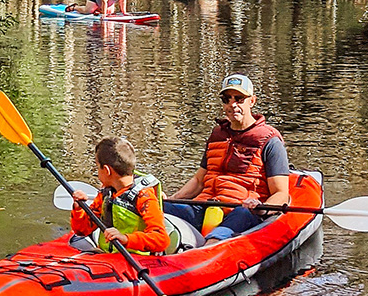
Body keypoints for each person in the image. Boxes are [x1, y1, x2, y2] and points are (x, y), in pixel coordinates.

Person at [177, 73, 291, 239]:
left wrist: (262, 207)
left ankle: (212, 247)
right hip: (205, 204)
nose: (232, 104)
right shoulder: (217, 135)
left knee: (240, 217)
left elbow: (281, 193)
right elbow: (199, 181)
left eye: (239, 98)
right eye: (226, 99)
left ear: (252, 101)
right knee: (163, 211)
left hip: (242, 210)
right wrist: (170, 200)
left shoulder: (270, 141)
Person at [69, 135, 191, 256]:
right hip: (107, 257)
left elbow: (161, 239)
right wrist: (79, 209)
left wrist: (126, 239)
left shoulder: (144, 197)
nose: (97, 172)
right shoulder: (106, 193)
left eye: (97, 167)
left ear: (106, 170)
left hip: (136, 261)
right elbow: (82, 231)